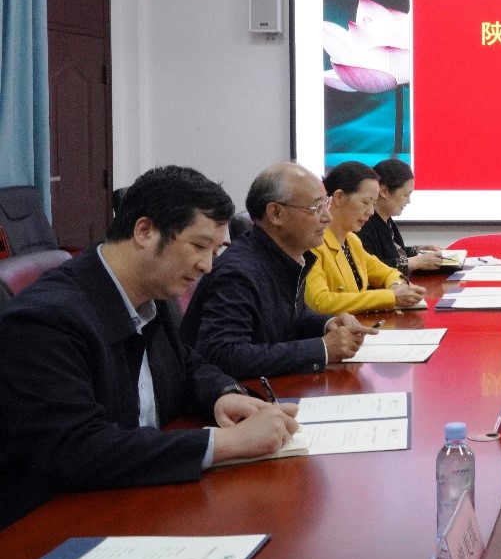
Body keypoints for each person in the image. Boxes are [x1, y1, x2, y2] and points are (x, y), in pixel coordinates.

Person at [0, 166, 301, 530]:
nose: (207, 266)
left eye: (215, 250)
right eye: (199, 246)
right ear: (145, 231)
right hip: (54, 524)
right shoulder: (45, 320)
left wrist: (222, 395)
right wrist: (226, 443)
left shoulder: (153, 293)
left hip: (139, 500)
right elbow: (77, 448)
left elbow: (187, 365)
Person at [181, 162, 378, 379]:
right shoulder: (238, 273)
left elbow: (289, 316)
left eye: (326, 204)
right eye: (316, 208)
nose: (327, 217)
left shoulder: (284, 256)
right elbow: (223, 354)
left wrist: (328, 323)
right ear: (276, 213)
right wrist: (321, 349)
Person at [305, 161, 428, 314]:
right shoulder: (312, 245)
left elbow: (388, 272)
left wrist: (396, 286)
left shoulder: (352, 241)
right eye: (365, 202)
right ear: (339, 197)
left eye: (373, 204)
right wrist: (390, 297)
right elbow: (321, 302)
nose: (371, 212)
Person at [361, 157, 446, 272]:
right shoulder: (364, 225)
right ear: (384, 191)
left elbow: (395, 254)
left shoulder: (386, 220)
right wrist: (415, 262)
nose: (408, 201)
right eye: (406, 195)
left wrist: (417, 251)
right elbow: (370, 268)